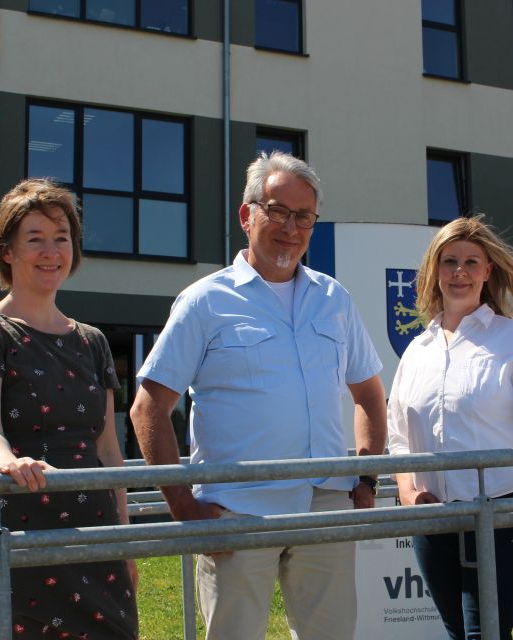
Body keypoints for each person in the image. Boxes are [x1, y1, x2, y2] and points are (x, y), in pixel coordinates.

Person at [128, 151, 387, 640]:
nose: (291, 227)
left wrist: (367, 479)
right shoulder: (204, 301)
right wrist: (185, 511)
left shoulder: (334, 299)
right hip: (236, 510)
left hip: (326, 505)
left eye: (304, 216)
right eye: (278, 211)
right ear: (247, 215)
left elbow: (370, 397)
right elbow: (148, 408)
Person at [0, 179, 138, 640]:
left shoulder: (92, 342)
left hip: (93, 541)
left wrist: (125, 541)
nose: (51, 252)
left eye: (61, 238)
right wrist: (8, 463)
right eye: (35, 239)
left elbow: (108, 450)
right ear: (6, 251)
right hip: (11, 537)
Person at [387, 216, 513, 640]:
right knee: (458, 633)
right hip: (433, 517)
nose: (460, 272)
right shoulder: (417, 350)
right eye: (449, 261)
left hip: (501, 513)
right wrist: (407, 490)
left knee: (485, 634)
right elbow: (399, 435)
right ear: (434, 270)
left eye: (471, 262)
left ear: (487, 271)